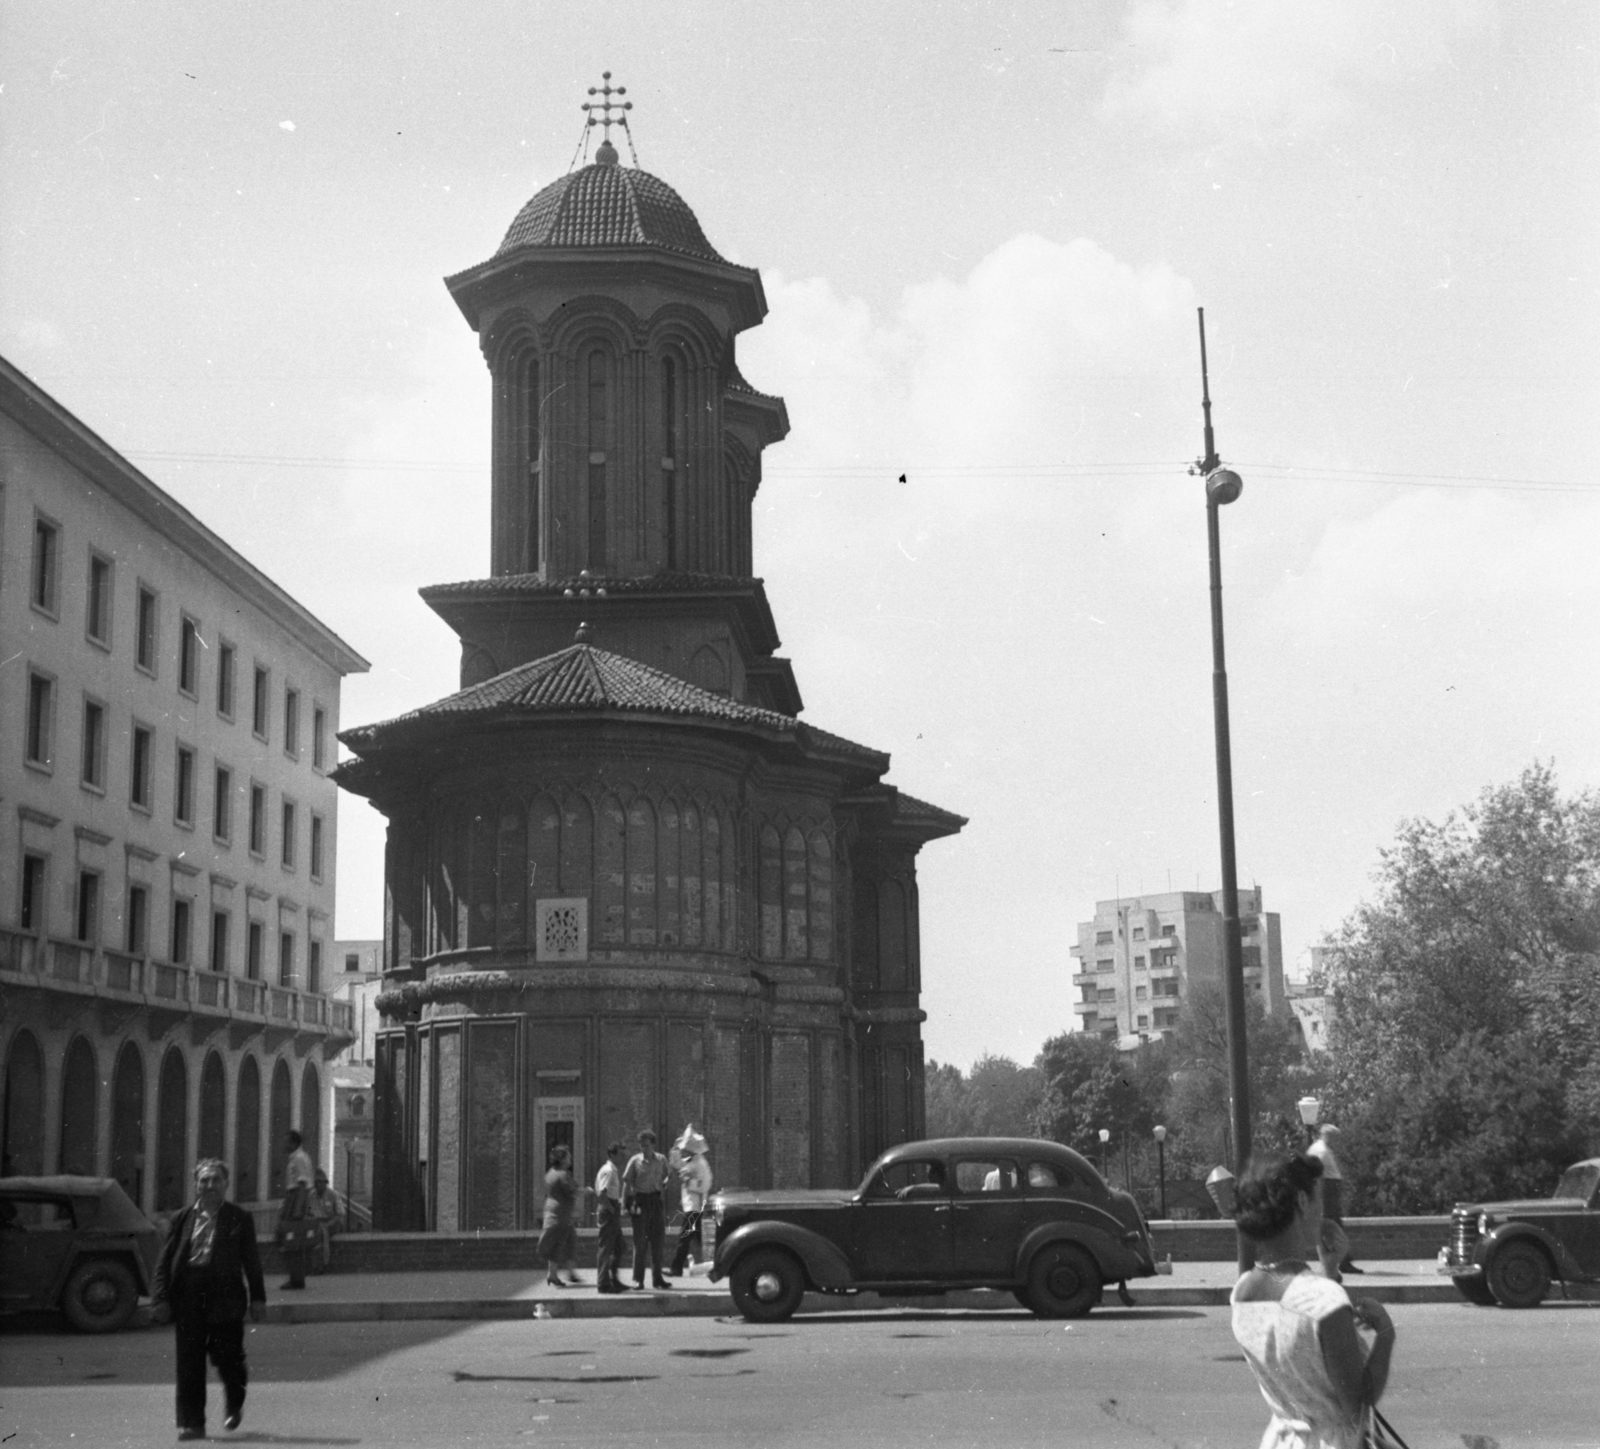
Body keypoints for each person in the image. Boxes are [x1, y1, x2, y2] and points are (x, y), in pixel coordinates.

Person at [1231, 1152, 1397, 1449]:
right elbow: (1358, 1408)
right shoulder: (1323, 1299)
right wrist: (1385, 1335)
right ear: (1302, 1202)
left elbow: (1297, 1325)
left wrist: (1329, 1271)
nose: (1322, 1212)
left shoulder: (1243, 1292)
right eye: (1318, 1201)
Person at [151, 1159, 267, 1441]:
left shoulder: (239, 1218)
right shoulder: (181, 1218)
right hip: (189, 1296)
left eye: (216, 1180)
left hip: (225, 1298)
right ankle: (192, 1423)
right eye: (204, 1180)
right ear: (195, 1185)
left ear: (226, 1184)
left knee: (229, 1358)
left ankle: (234, 1403)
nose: (210, 1185)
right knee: (189, 1362)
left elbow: (251, 1260)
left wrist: (258, 1298)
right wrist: (160, 1298)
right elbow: (165, 1261)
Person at [1307, 1124, 1361, 1275]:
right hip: (1327, 1192)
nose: (1337, 1141)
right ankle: (1340, 1263)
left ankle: (1339, 1262)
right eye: (1335, 1138)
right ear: (1328, 1136)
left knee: (1331, 1226)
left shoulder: (1322, 1149)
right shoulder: (1321, 1151)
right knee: (1333, 1227)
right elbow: (1318, 1175)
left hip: (1329, 1190)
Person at [622, 1128, 672, 1290]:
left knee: (658, 1241)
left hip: (656, 1201)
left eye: (647, 1145)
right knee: (640, 1242)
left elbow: (669, 1175)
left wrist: (664, 1184)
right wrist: (625, 1204)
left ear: (653, 1145)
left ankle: (657, 1278)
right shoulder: (635, 1161)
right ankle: (638, 1279)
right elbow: (626, 1182)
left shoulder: (661, 1159)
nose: (644, 1148)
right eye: (642, 1145)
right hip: (641, 1201)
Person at [668, 1126, 713, 1277]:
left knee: (685, 1238)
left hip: (695, 1207)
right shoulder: (693, 1160)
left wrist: (688, 1182)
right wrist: (675, 1148)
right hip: (692, 1207)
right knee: (700, 1239)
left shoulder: (700, 1163)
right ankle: (714, 1266)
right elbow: (677, 1164)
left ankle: (676, 1268)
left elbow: (705, 1184)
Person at [276, 1129, 316, 1290]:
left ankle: (297, 1278)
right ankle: (296, 1276)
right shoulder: (297, 1157)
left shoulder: (299, 1158)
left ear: (293, 1143)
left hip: (295, 1200)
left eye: (286, 1141)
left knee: (292, 1239)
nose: (283, 1144)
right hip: (291, 1199)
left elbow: (302, 1184)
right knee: (289, 1239)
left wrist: (298, 1209)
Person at [538, 1145, 580, 1287]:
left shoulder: (550, 1173)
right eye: (568, 1156)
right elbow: (573, 1191)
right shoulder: (563, 1174)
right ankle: (559, 1274)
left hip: (551, 1211)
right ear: (562, 1159)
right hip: (562, 1214)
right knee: (563, 1242)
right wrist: (588, 1191)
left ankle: (564, 1273)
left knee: (568, 1240)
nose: (570, 1158)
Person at [593, 1141, 628, 1293]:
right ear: (612, 1155)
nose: (623, 1156)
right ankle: (603, 1284)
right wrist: (613, 1210)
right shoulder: (608, 1171)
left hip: (611, 1209)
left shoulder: (612, 1170)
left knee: (620, 1246)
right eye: (620, 1154)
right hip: (608, 1211)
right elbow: (602, 1195)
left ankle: (613, 1279)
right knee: (606, 1248)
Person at [308, 1169, 341, 1273]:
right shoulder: (311, 1195)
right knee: (311, 1234)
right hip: (316, 1223)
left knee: (322, 1232)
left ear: (325, 1183)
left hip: (331, 1223)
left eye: (320, 1182)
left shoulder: (333, 1195)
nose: (318, 1185)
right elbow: (308, 1212)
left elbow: (340, 1214)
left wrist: (327, 1224)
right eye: (316, 1182)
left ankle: (321, 1264)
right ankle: (314, 1264)